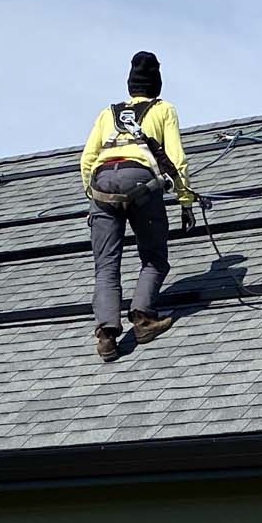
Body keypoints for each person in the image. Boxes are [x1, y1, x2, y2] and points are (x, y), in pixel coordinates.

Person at [78, 51, 195, 361]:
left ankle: (106, 336)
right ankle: (142, 319)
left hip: (102, 184)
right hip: (141, 182)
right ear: (157, 85)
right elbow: (176, 160)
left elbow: (87, 160)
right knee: (154, 258)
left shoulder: (108, 114)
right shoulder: (163, 109)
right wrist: (185, 201)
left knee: (106, 266)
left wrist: (93, 199)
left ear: (130, 86)